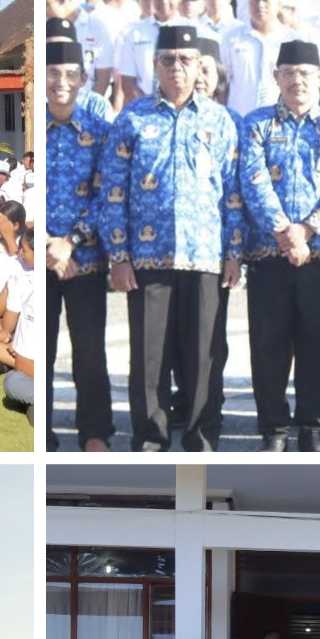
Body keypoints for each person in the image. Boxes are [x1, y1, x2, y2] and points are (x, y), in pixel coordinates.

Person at [97, 23, 243, 451]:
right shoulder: (132, 118)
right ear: (153, 65)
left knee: (204, 359)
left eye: (185, 60)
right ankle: (150, 440)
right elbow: (113, 192)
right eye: (167, 60)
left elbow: (232, 194)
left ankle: (201, 439)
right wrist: (119, 256)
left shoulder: (220, 120)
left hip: (206, 258)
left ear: (199, 65)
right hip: (148, 258)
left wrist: (234, 254)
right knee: (149, 359)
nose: (176, 67)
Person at [239, 41, 320, 452]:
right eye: (288, 72)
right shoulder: (256, 124)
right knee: (268, 346)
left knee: (319, 344)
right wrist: (284, 232)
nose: (297, 81)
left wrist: (306, 230)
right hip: (269, 253)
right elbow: (253, 183)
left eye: (305, 73)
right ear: (276, 77)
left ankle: (313, 427)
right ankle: (273, 429)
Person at [44, 33, 115, 452]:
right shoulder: (39, 130)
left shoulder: (100, 133)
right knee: (44, 351)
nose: (61, 81)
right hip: (41, 259)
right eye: (54, 72)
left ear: (84, 78)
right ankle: (44, 436)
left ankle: (95, 433)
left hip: (84, 260)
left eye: (71, 74)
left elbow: (107, 197)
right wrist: (49, 245)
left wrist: (69, 243)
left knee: (90, 352)